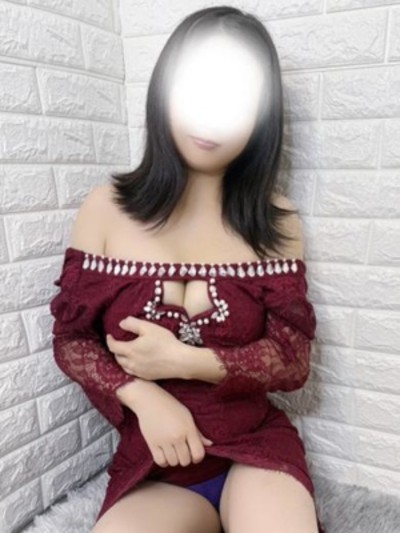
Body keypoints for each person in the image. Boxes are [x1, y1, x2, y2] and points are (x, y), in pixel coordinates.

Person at [50, 6, 325, 533]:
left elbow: (293, 361)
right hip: (156, 463)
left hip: (254, 452)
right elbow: (71, 340)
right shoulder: (106, 208)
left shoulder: (276, 219)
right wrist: (142, 395)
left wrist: (187, 361)